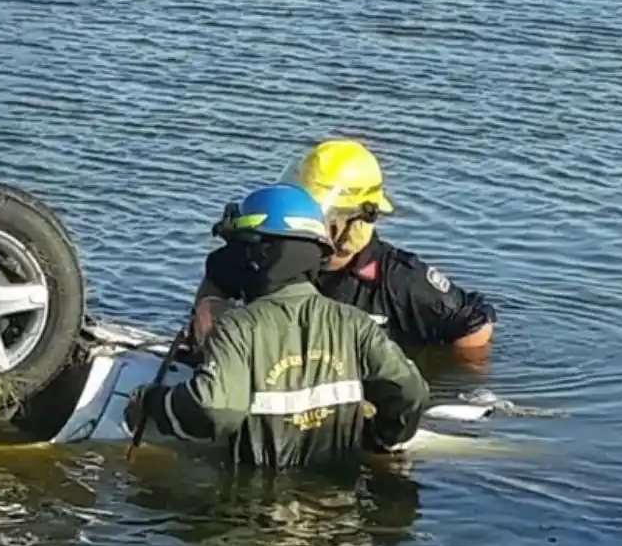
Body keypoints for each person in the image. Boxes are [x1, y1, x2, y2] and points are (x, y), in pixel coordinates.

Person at [125, 183, 430, 469]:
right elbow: (410, 393)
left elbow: (216, 409)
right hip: (340, 501)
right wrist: (379, 438)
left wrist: (153, 403)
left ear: (256, 255)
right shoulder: (356, 324)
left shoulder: (238, 329)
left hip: (255, 501)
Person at [191, 139, 496, 352]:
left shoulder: (400, 282)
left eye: (321, 216)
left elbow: (474, 325)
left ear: (359, 220)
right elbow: (215, 282)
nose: (305, 223)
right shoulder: (263, 255)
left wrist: (440, 381)